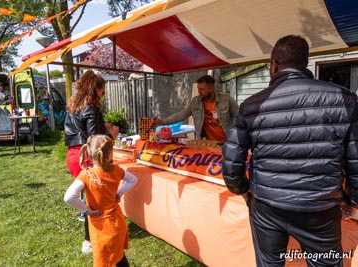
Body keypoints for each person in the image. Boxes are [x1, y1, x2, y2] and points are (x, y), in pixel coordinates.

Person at [222, 35, 358, 267]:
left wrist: (244, 191)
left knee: (269, 264)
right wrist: (352, 199)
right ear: (304, 62)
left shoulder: (253, 104)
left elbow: (232, 161)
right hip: (319, 207)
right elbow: (355, 159)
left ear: (273, 64)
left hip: (267, 205)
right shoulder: (344, 99)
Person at [64, 70, 119, 254]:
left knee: (88, 195)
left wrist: (104, 127)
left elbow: (85, 130)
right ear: (95, 89)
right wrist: (111, 135)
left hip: (74, 154)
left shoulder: (75, 104)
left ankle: (90, 230)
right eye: (102, 91)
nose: (103, 96)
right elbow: (94, 139)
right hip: (86, 156)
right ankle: (89, 241)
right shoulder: (90, 107)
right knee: (93, 199)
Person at [64, 134, 137, 267]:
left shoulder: (86, 175)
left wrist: (87, 210)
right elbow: (133, 179)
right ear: (109, 154)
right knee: (119, 256)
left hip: (101, 228)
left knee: (103, 260)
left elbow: (69, 197)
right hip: (118, 223)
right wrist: (119, 193)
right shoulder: (116, 170)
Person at [153, 75, 238, 142]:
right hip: (206, 143)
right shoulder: (196, 101)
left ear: (211, 89)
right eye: (198, 89)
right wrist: (162, 121)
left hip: (227, 143)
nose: (199, 91)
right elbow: (182, 114)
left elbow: (240, 116)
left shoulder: (227, 99)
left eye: (202, 89)